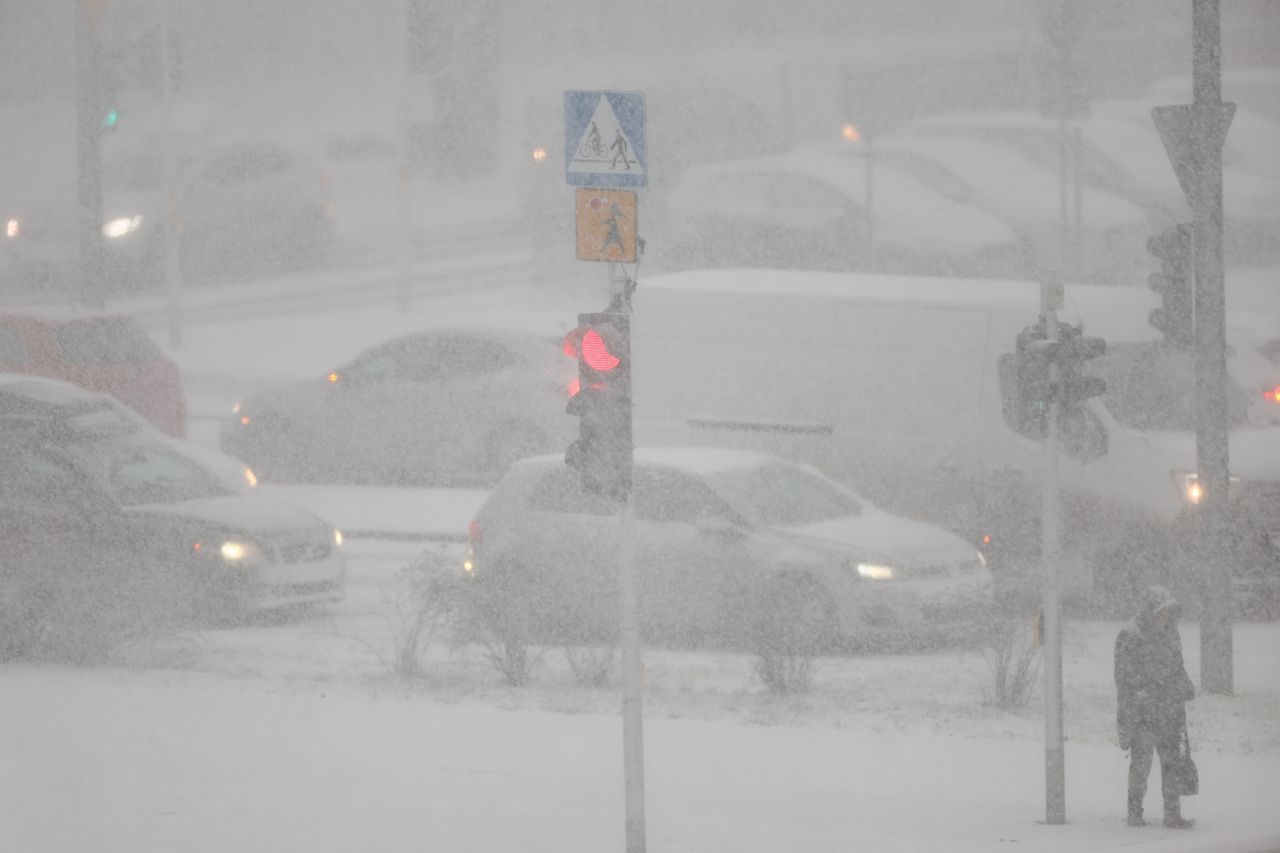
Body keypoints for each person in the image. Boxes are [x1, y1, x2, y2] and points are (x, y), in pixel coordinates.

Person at [1114, 585, 1197, 828]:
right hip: (1143, 714)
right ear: (1149, 611)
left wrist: (1184, 685)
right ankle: (1134, 812)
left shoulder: (1171, 634)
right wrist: (1150, 690)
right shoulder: (1130, 635)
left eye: (1168, 613)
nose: (1165, 618)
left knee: (1172, 764)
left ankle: (1172, 814)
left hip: (1169, 711)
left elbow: (1177, 666)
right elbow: (1124, 677)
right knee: (1141, 764)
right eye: (1161, 612)